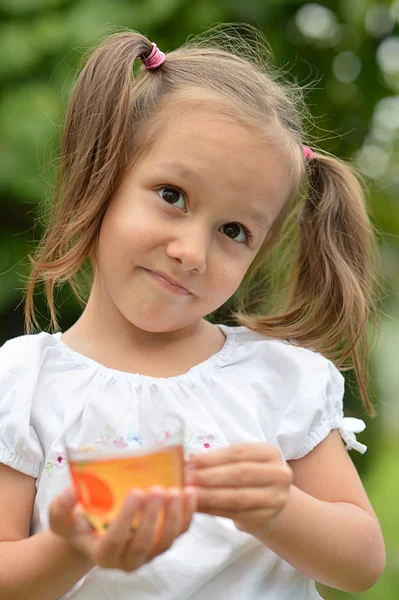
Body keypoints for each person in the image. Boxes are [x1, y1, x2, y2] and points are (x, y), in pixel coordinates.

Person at [0, 25, 385, 600]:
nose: (192, 253)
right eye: (172, 195)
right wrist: (73, 546)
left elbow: (361, 564)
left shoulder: (277, 379)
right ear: (104, 177)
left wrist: (281, 509)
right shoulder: (26, 384)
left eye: (234, 231)